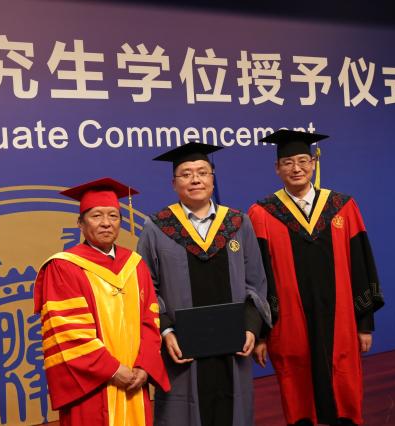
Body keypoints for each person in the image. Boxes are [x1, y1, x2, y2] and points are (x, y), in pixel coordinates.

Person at [248, 129, 384, 426]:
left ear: (313, 163)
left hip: (342, 322)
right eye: (287, 162)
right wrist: (261, 334)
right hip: (289, 324)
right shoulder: (262, 214)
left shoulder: (343, 207)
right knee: (298, 389)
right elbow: (258, 279)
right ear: (277, 168)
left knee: (343, 386)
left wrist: (364, 324)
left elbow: (362, 266)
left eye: (302, 161)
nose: (296, 168)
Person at [137, 143, 271, 426]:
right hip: (182, 347)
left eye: (202, 172)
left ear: (212, 178)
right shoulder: (157, 228)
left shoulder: (238, 223)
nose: (195, 179)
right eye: (186, 174)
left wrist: (250, 327)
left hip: (233, 344)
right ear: (174, 183)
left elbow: (256, 281)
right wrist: (166, 331)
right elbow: (145, 289)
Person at [33, 177, 170, 426]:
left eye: (113, 216)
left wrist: (144, 365)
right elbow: (69, 333)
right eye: (96, 216)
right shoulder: (64, 267)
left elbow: (150, 320)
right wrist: (113, 370)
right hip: (93, 387)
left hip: (135, 380)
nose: (106, 223)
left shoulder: (135, 265)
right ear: (80, 223)